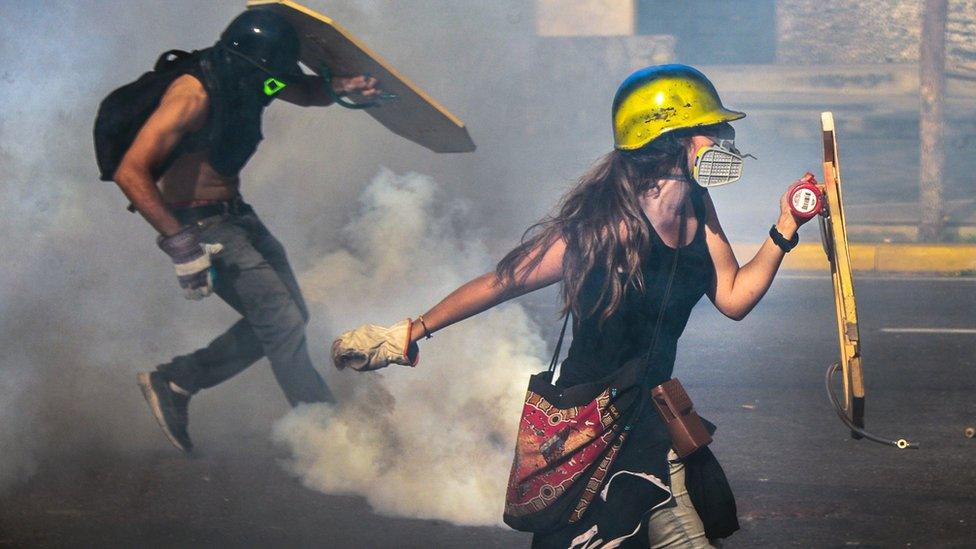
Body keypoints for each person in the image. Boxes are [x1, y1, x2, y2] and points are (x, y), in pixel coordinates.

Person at [331, 64, 813, 548]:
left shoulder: (696, 206)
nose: (725, 138)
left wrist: (786, 226)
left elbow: (732, 297)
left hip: (651, 426)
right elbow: (503, 281)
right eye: (711, 129)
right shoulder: (608, 230)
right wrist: (411, 331)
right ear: (671, 139)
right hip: (587, 431)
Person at [114, 8, 380, 452]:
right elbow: (131, 172)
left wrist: (341, 88)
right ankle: (328, 438)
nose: (274, 82)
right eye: (270, 73)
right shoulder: (192, 95)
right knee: (280, 320)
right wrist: (181, 245)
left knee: (289, 315)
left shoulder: (259, 77)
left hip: (235, 213)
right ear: (247, 60)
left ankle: (176, 381)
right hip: (200, 223)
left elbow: (299, 90)